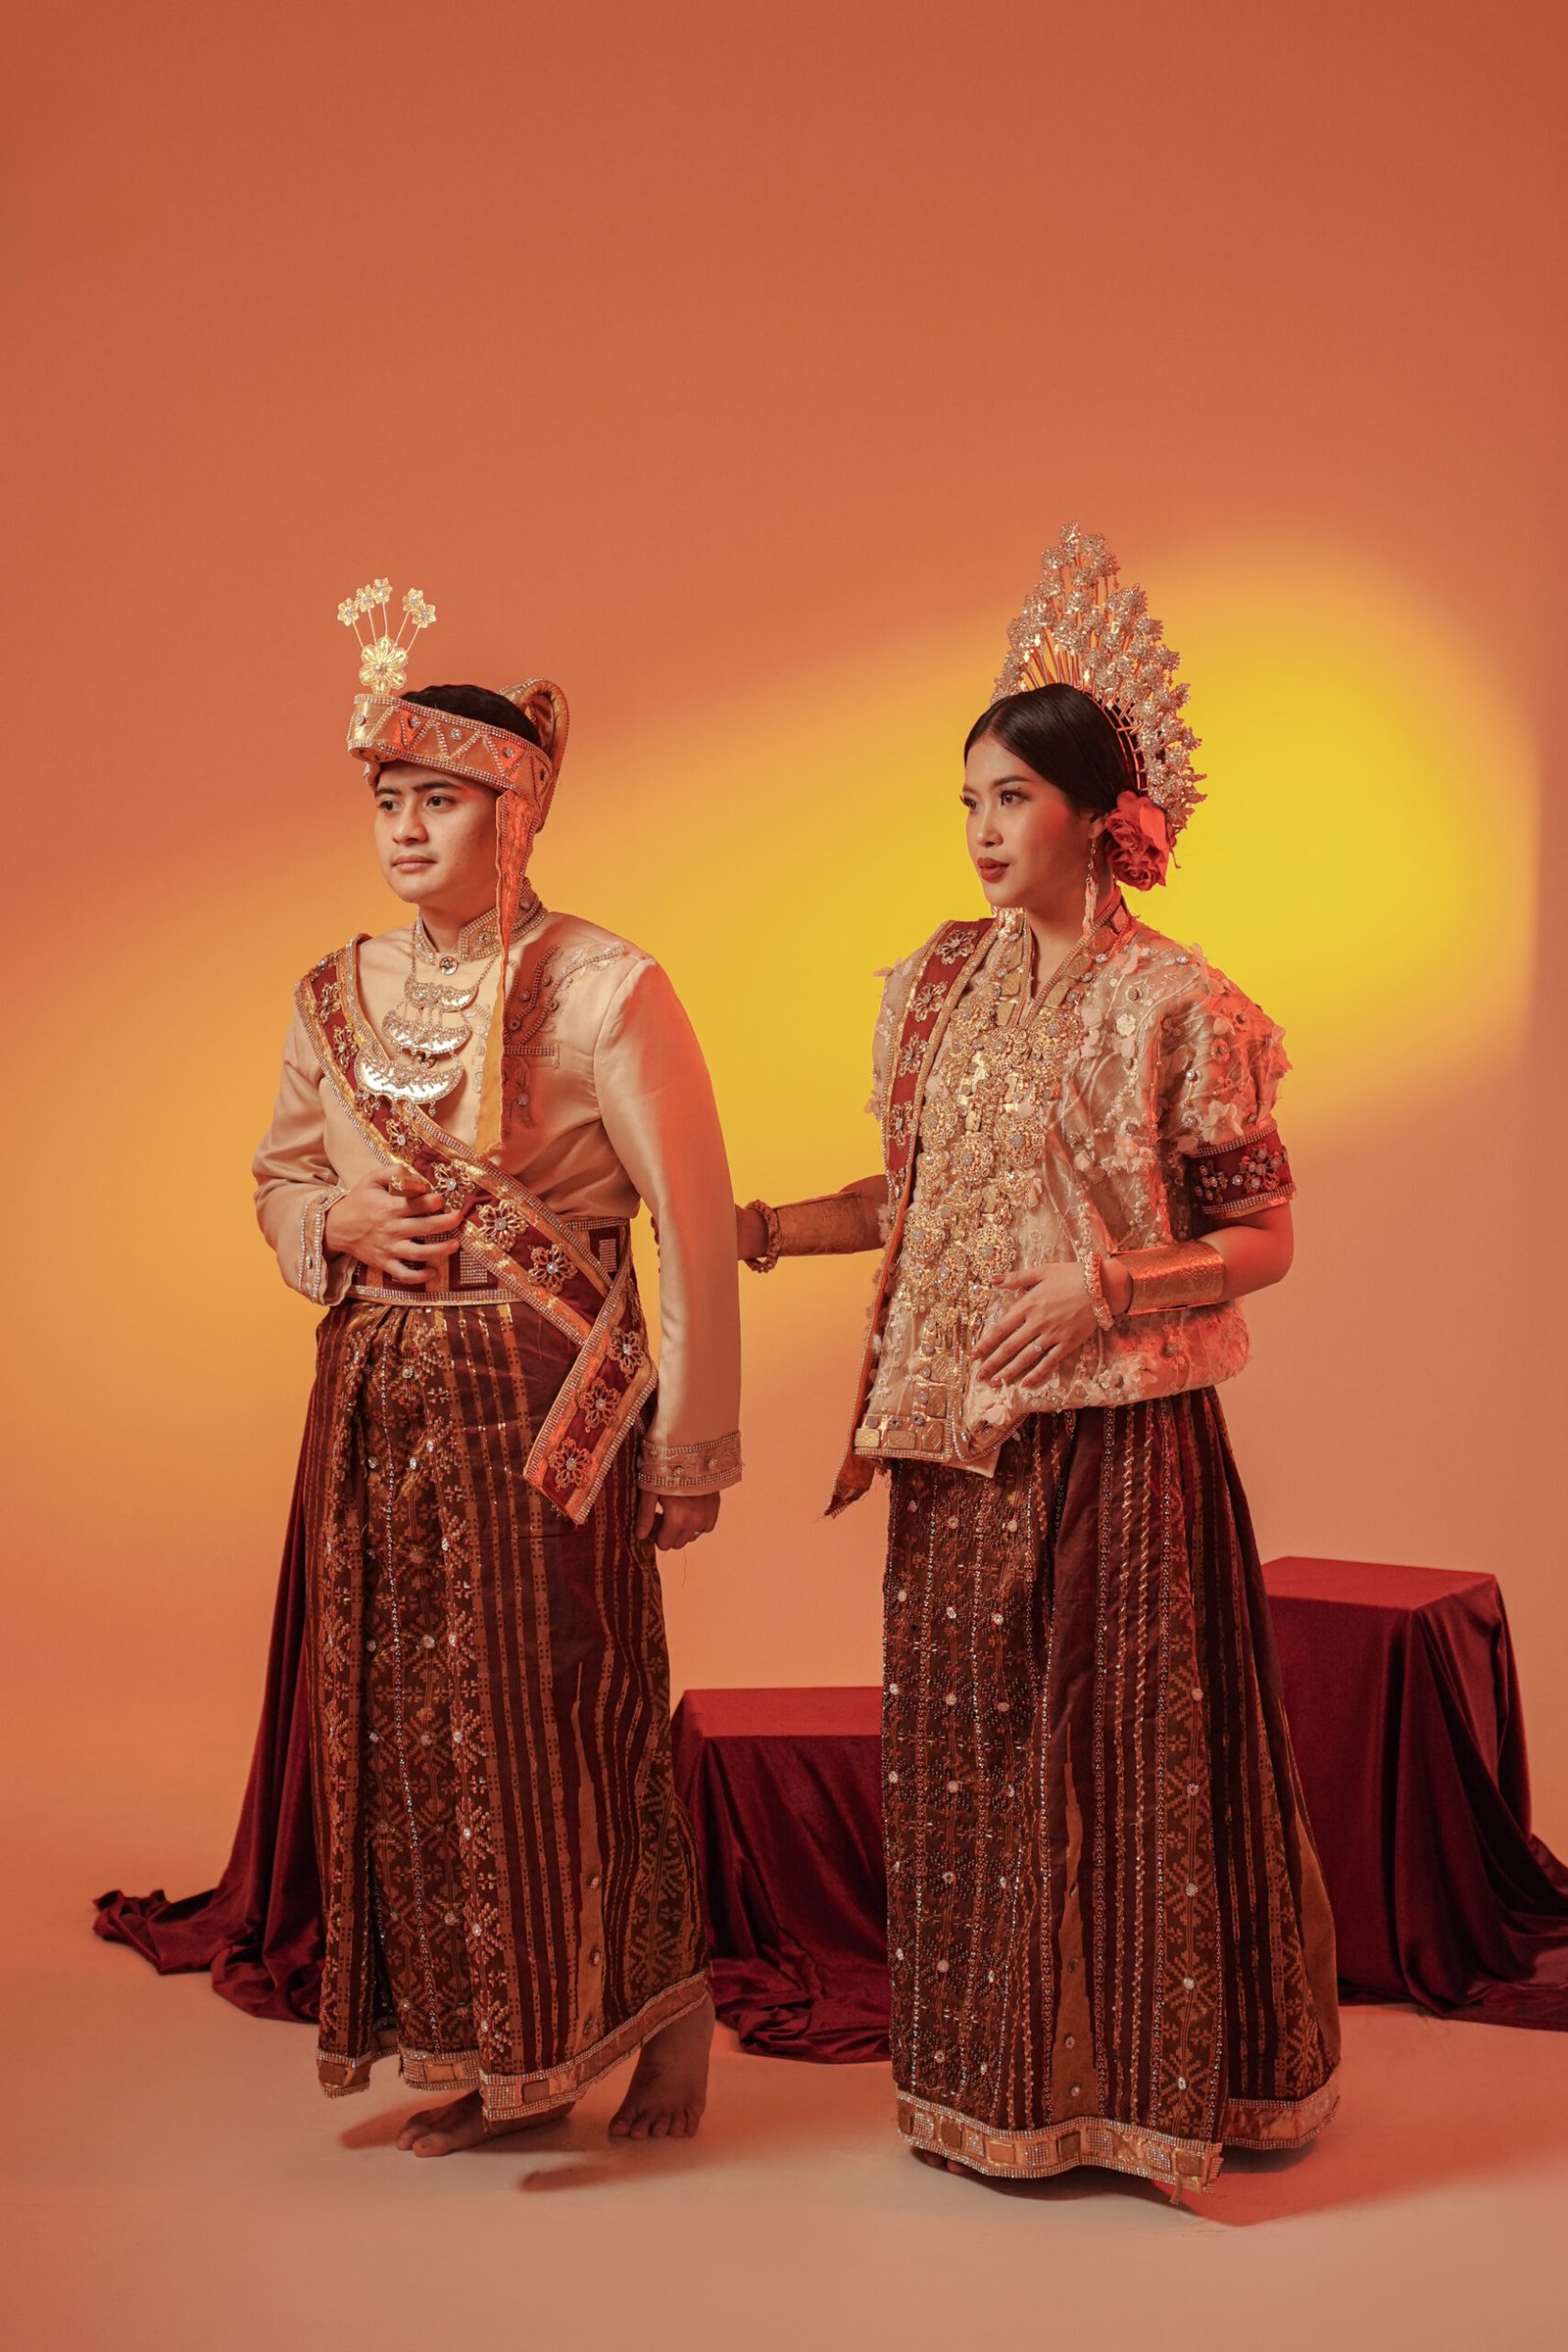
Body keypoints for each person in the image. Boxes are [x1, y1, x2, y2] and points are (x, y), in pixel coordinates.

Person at [736, 527, 1340, 2197]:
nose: (985, 832)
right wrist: (766, 1227)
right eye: (969, 804)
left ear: (1095, 814)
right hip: (954, 1440)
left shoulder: (1181, 1008)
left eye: (1012, 798)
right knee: (968, 1770)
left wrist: (1109, 1290)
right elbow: (920, 1201)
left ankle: (1149, 2095)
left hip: (1116, 1442)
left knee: (1118, 1764)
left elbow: (1266, 1235)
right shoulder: (939, 985)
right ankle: (993, 2091)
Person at [106, 584, 741, 2156]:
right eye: (388, 798)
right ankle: (496, 2051)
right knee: (414, 1737)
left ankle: (665, 2016)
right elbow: (276, 1179)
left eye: (438, 799)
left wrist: (692, 1449)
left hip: (546, 1401)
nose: (403, 827)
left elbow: (693, 1222)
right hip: (378, 1406)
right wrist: (335, 1220)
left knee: (572, 1712)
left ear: (515, 812)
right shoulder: (335, 992)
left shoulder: (607, 985)